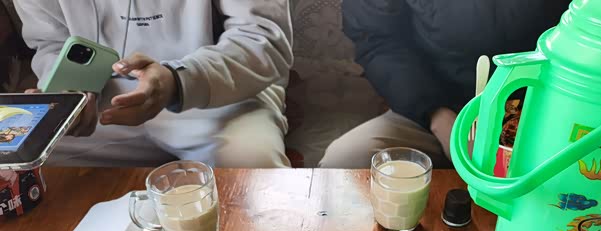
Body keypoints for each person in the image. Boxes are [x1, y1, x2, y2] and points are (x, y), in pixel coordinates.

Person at [14, 0, 293, 168]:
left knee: (252, 167)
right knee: (16, 160)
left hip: (218, 91)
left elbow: (263, 39)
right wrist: (68, 92)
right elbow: (50, 43)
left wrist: (177, 80)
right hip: (100, 102)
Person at [318, 1, 572, 169]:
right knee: (346, 160)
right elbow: (377, 39)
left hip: (544, 112)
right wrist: (438, 117)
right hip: (435, 106)